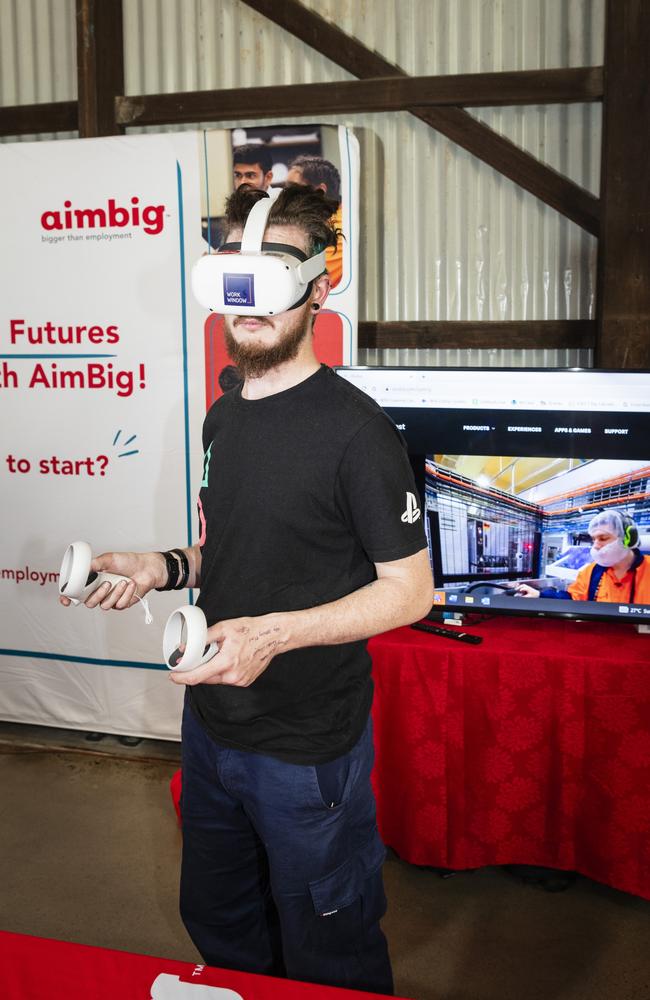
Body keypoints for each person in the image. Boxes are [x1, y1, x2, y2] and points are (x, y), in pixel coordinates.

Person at [60, 183, 434, 995]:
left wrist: (273, 634)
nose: (248, 306)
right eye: (236, 280)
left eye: (271, 280)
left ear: (319, 288)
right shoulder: (224, 415)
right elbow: (228, 550)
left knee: (327, 940)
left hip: (306, 746)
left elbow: (410, 592)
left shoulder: (357, 434)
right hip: (212, 726)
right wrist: (159, 567)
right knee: (222, 918)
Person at [515, 509, 650, 603]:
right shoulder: (591, 572)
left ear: (629, 538)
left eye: (603, 538)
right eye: (593, 539)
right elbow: (573, 598)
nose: (596, 545)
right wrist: (540, 595)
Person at [286, 155, 344, 288]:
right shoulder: (323, 222)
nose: (285, 195)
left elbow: (304, 284)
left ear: (320, 191)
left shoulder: (339, 229)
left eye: (292, 189)